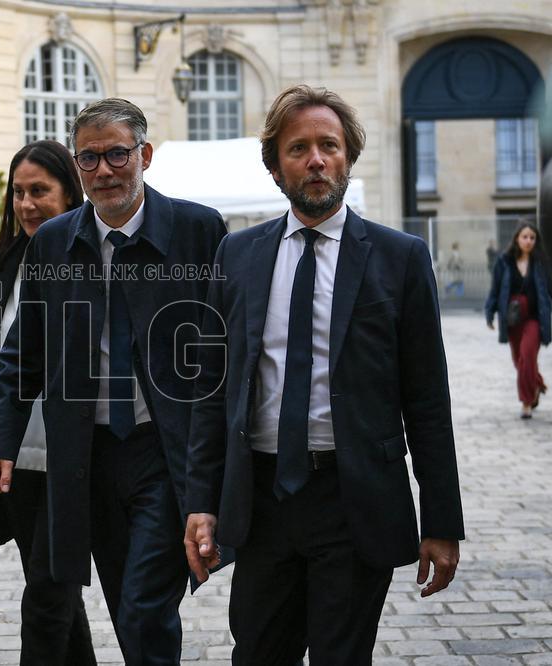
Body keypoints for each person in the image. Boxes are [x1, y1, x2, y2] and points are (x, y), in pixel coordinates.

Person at [184, 85, 465, 665]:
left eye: (329, 146)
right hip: (261, 501)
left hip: (353, 498)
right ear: (275, 167)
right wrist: (201, 501)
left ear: (348, 156)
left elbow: (427, 400)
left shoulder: (400, 258)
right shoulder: (237, 255)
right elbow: (213, 390)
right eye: (298, 148)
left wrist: (441, 521)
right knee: (258, 654)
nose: (316, 159)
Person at [0, 98, 227, 665]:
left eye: (117, 154)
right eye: (88, 158)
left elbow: (226, 350)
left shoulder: (198, 230)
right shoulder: (52, 242)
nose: (104, 170)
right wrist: (0, 438)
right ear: (77, 166)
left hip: (162, 451)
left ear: (144, 154)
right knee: (125, 606)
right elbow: (23, 352)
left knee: (144, 605)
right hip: (86, 456)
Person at [0, 140, 97, 665]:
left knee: (49, 593)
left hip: (76, 455)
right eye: (18, 192)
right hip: (12, 457)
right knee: (51, 586)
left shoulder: (92, 257)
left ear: (69, 193)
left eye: (40, 191)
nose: (27, 204)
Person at [485, 220, 551, 418]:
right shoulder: (504, 261)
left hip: (534, 319)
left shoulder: (541, 262)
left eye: (532, 237)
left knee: (527, 356)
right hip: (512, 320)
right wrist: (490, 313)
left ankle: (526, 402)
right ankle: (536, 384)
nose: (529, 241)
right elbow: (495, 290)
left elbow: (549, 289)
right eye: (525, 237)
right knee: (519, 361)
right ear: (517, 239)